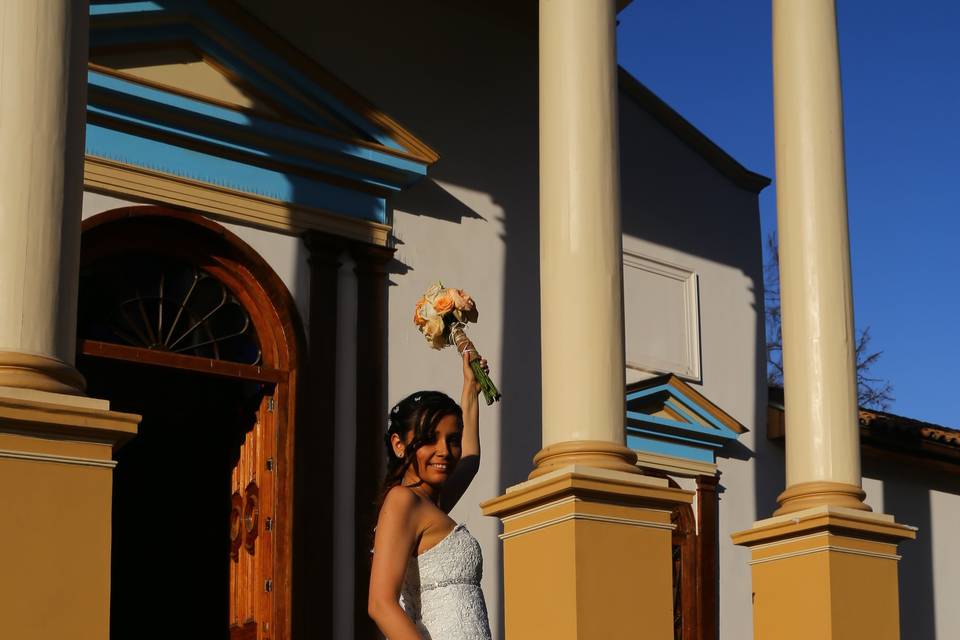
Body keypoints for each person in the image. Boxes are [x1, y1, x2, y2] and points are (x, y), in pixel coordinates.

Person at [368, 352, 492, 640]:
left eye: (452, 440)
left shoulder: (430, 503)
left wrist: (471, 388)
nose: (444, 452)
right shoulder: (403, 501)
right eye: (429, 439)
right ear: (399, 444)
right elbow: (380, 604)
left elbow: (470, 460)